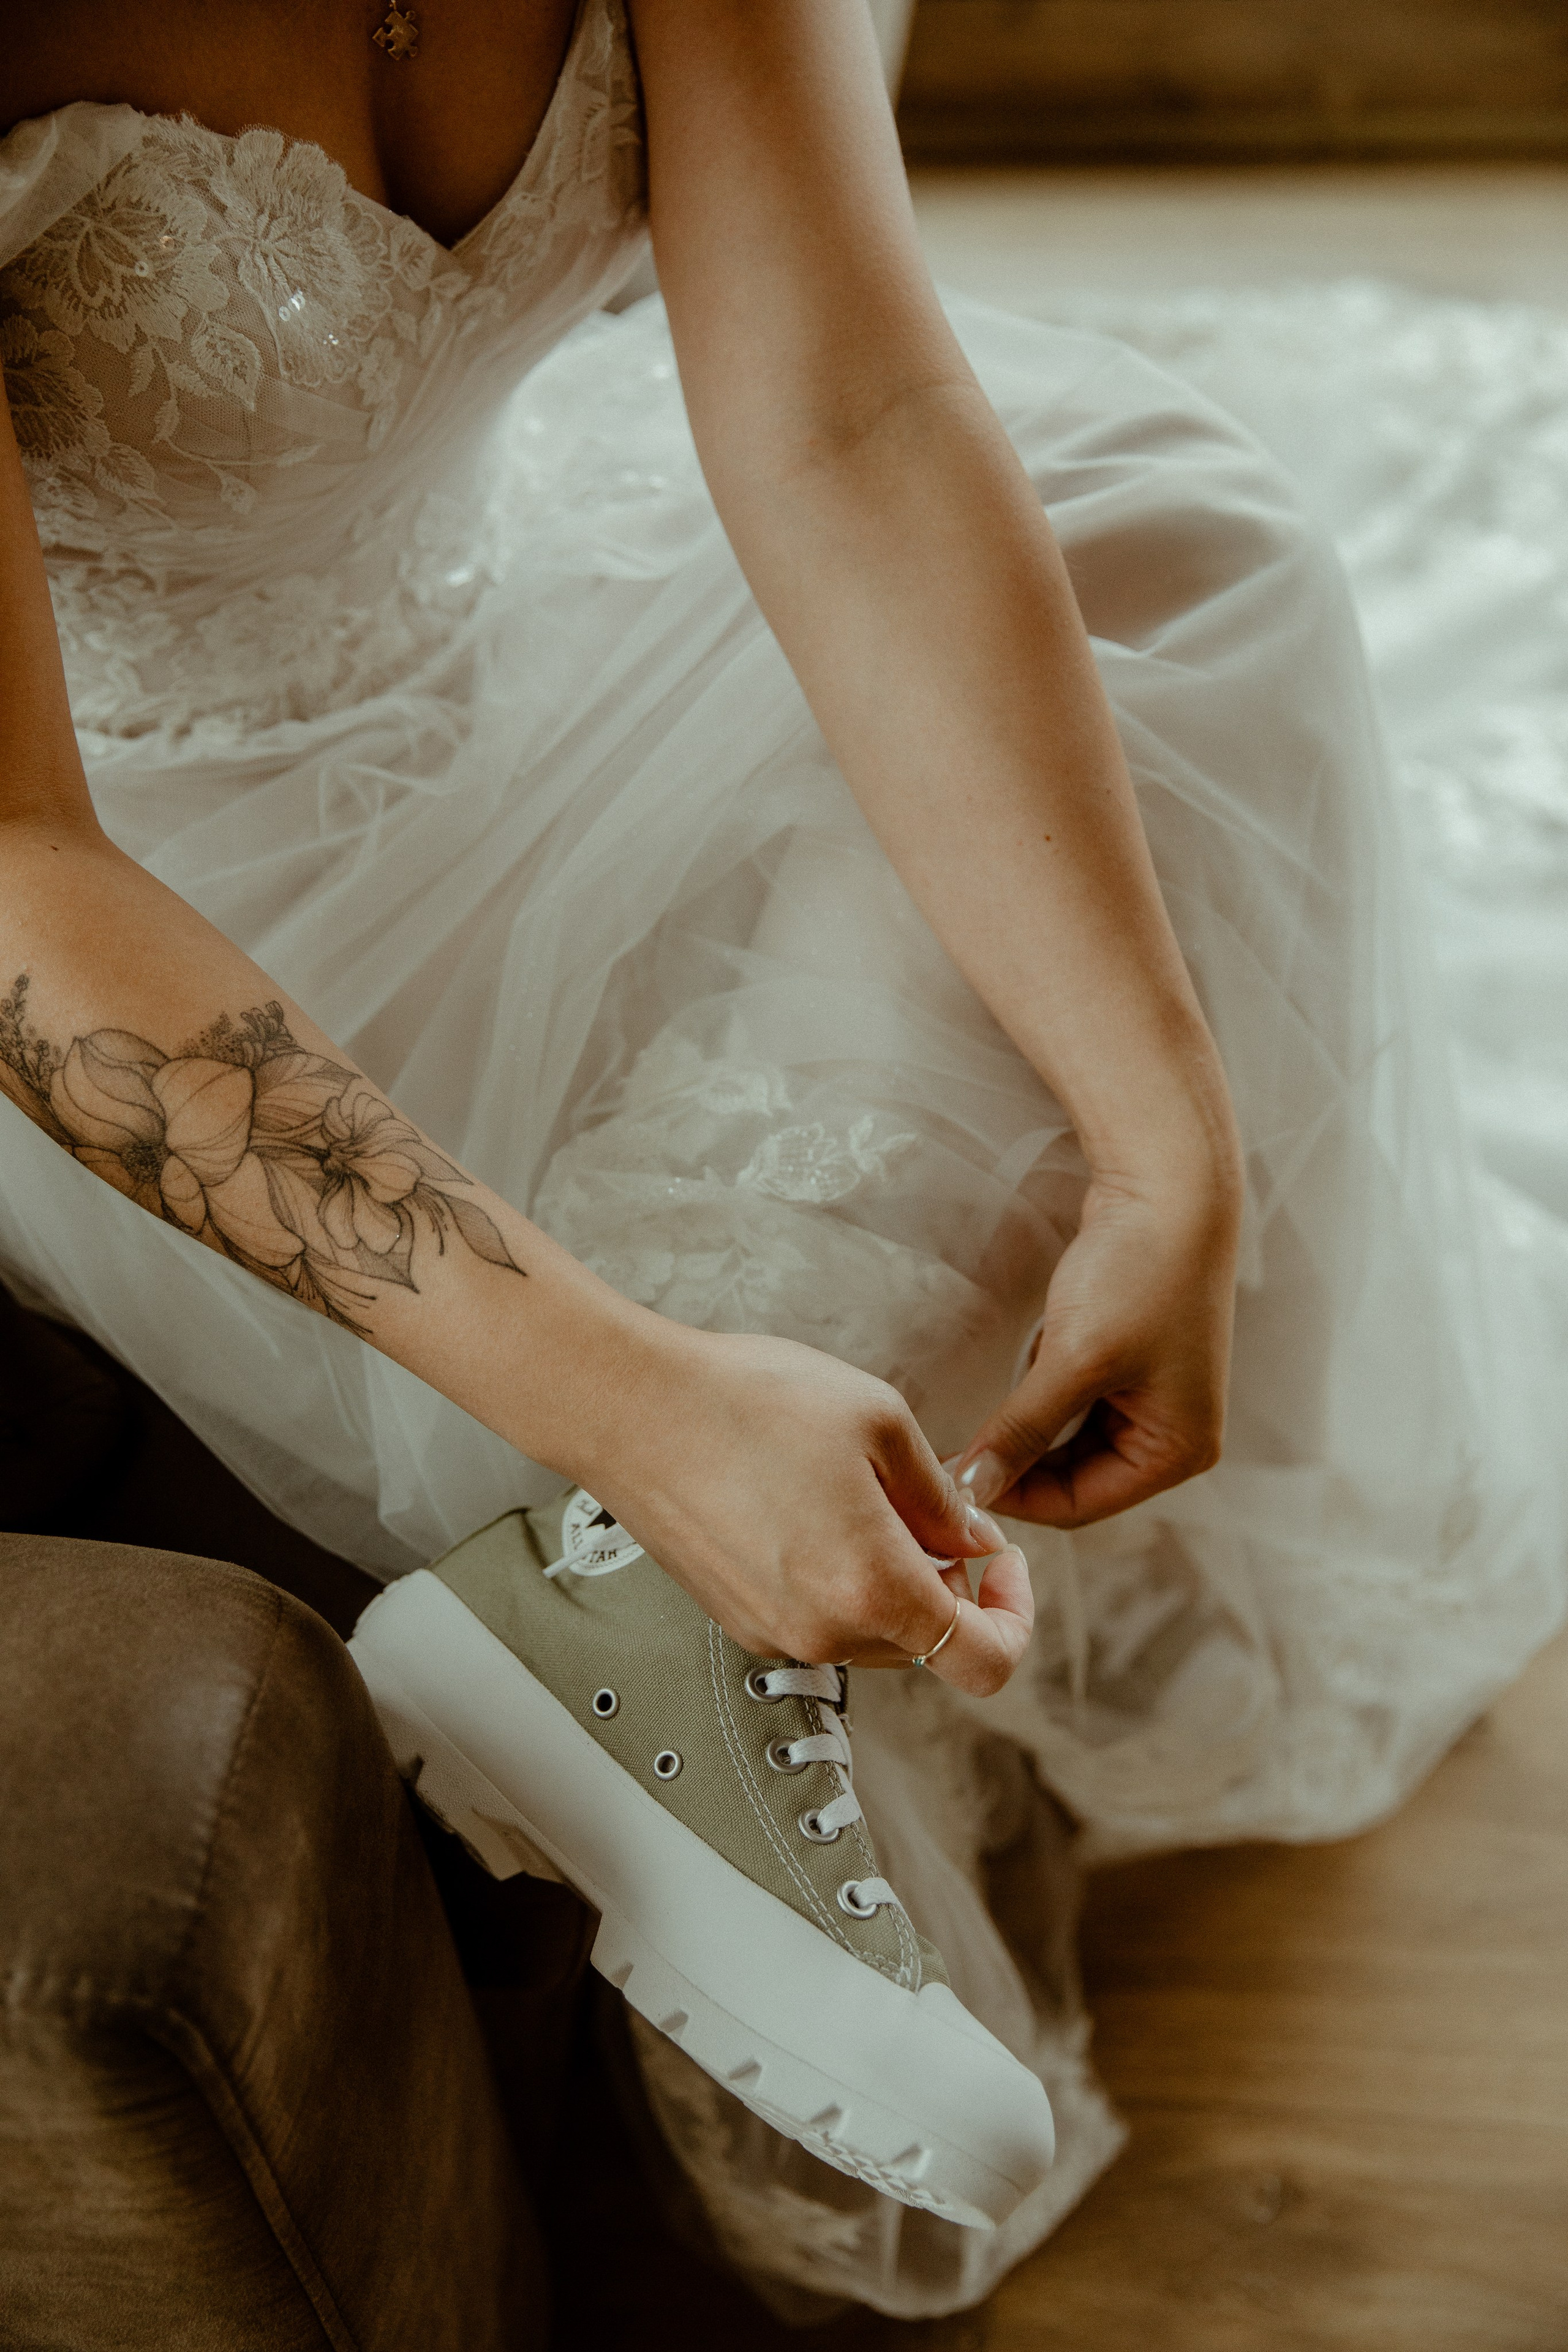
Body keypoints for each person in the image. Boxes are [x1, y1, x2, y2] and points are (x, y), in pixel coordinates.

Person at [1, 0, 1561, 2319]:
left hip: (499, 630)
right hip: (119, 891)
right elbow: (14, 865)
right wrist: (632, 1390)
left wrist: (1166, 1141)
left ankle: (614, 1590)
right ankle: (634, 1546)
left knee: (1168, 541)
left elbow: (853, 421)